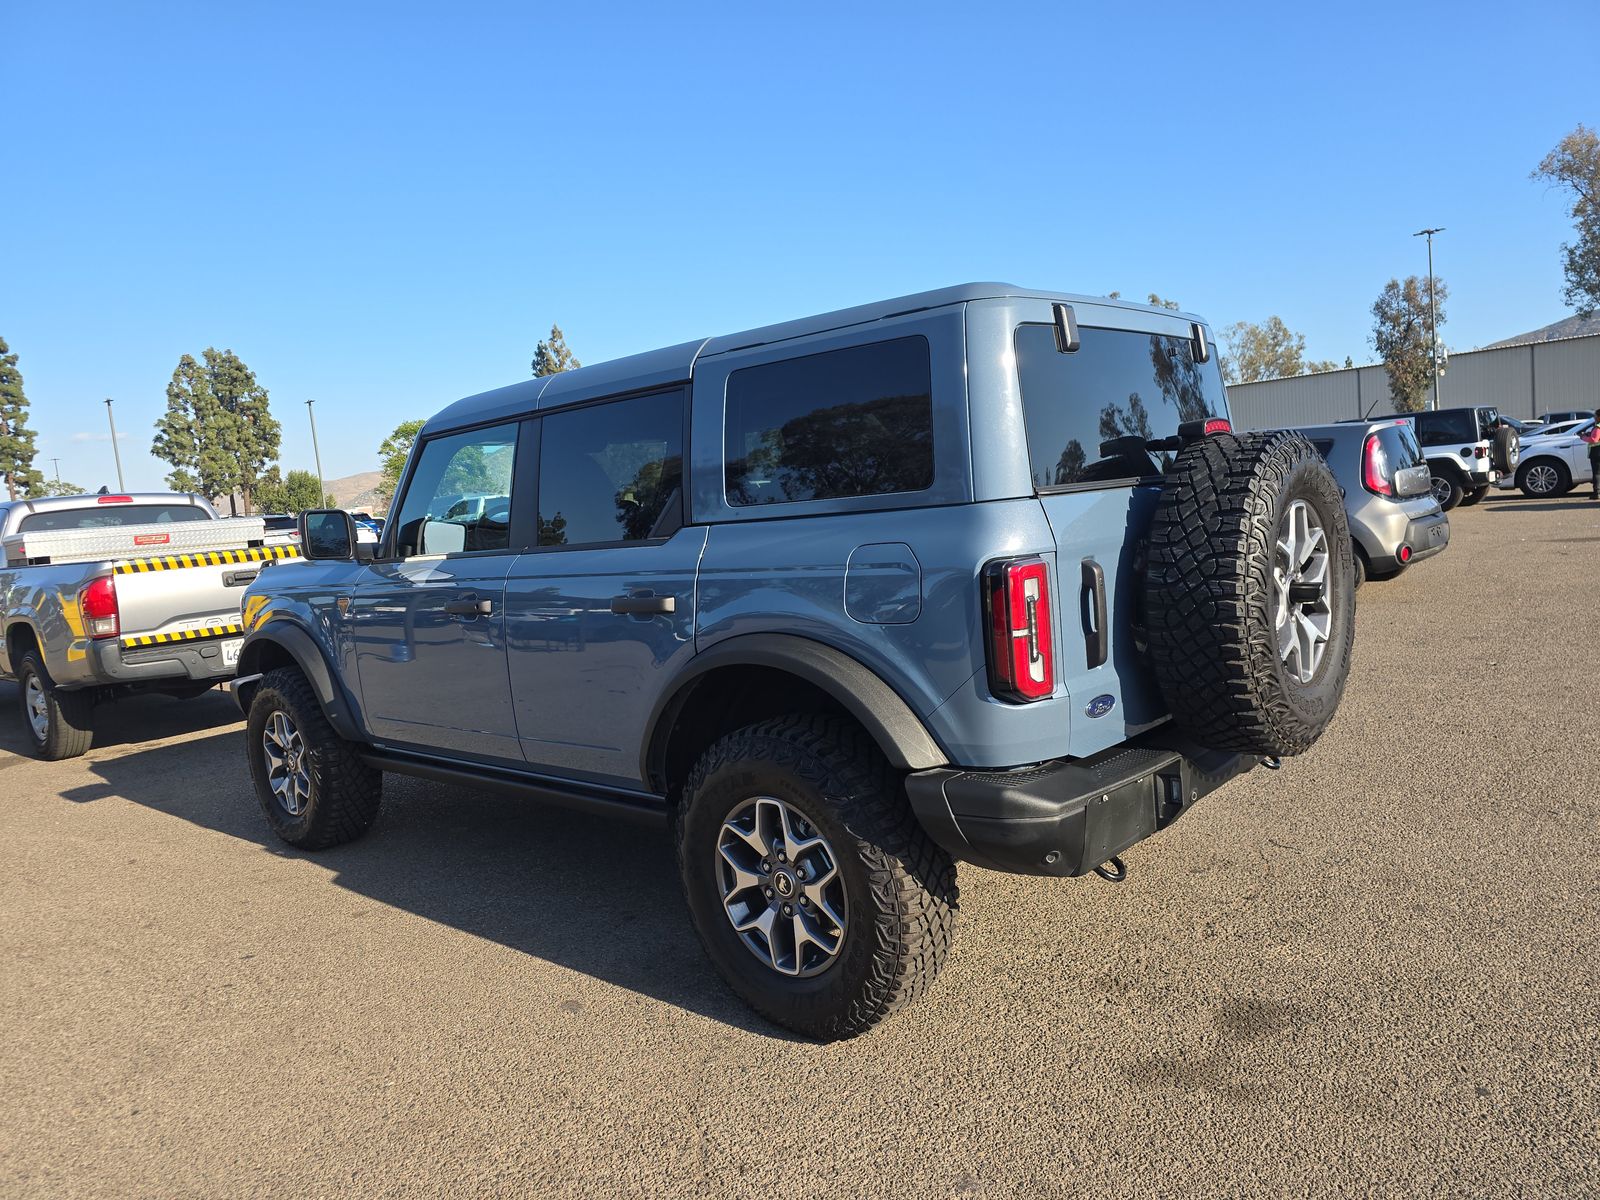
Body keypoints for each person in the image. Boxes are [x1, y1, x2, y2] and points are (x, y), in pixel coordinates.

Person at [1584, 410, 1600, 500]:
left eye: (1595, 416)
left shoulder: (1598, 427)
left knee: (1597, 473)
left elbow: (1594, 440)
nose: (1594, 417)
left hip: (1597, 452)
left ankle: (1597, 493)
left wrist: (1583, 437)